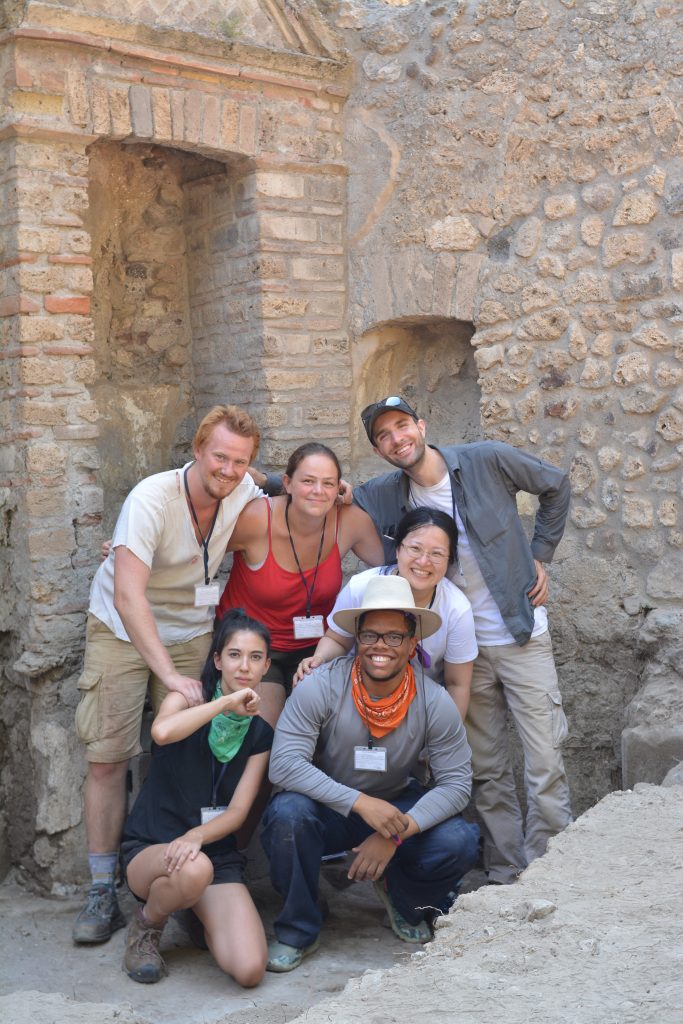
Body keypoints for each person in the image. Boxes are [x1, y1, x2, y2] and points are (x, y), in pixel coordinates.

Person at [351, 396, 573, 885]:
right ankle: (507, 869)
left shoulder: (486, 458)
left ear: (421, 425)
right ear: (379, 450)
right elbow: (325, 489)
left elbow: (555, 484)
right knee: (486, 768)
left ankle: (552, 872)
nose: (397, 439)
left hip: (520, 633)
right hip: (460, 652)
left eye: (402, 426)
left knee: (544, 759)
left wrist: (541, 553)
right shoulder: (386, 493)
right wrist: (264, 480)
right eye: (384, 436)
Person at [73, 405, 262, 944]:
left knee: (192, 750)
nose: (228, 470)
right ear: (197, 450)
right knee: (108, 757)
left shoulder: (244, 488)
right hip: (122, 629)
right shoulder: (151, 498)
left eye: (240, 462)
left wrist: (336, 492)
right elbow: (128, 597)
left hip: (191, 630)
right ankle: (102, 887)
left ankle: (179, 881)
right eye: (219, 457)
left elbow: (274, 481)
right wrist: (172, 677)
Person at [262, 574, 480, 972]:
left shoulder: (434, 701)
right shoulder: (320, 686)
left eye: (394, 636)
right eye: (370, 635)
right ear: (356, 639)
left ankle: (403, 897)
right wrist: (361, 803)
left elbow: (456, 783)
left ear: (413, 644)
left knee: (461, 839)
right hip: (330, 807)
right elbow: (284, 764)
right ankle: (298, 928)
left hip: (396, 804)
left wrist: (395, 833)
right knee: (287, 815)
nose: (381, 646)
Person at [120, 609, 273, 986]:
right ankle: (147, 925)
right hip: (153, 848)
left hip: (212, 853)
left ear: (267, 666)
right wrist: (223, 704)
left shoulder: (260, 733)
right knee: (193, 869)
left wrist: (197, 836)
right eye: (234, 655)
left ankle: (190, 905)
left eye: (255, 657)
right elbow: (162, 733)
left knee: (250, 969)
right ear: (217, 660)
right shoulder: (185, 698)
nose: (244, 666)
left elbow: (238, 812)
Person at [217, 442, 385, 727]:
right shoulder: (257, 518)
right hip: (253, 646)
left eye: (328, 483)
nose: (318, 491)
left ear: (338, 489)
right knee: (264, 731)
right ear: (287, 483)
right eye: (308, 481)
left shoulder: (349, 521)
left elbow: (392, 566)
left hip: (316, 649)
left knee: (324, 727)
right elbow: (199, 550)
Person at [295, 507, 477, 719]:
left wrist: (449, 734)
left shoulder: (456, 609)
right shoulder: (361, 587)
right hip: (357, 694)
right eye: (415, 548)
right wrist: (318, 659)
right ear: (398, 549)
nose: (423, 561)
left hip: (420, 705)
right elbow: (337, 639)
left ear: (449, 560)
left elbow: (457, 683)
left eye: (436, 553)